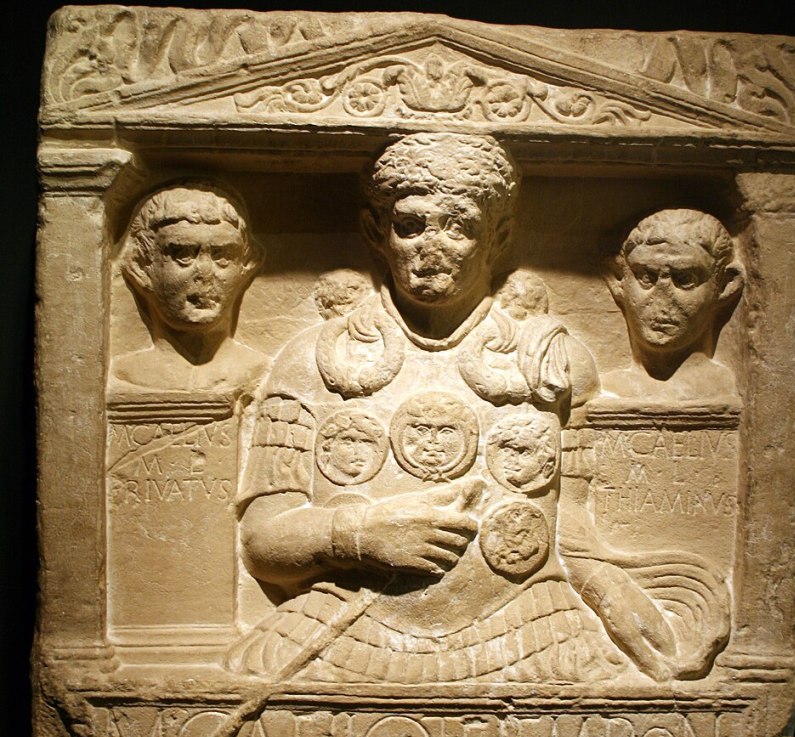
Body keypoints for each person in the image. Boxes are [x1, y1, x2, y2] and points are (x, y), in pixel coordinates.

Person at [229, 133, 728, 684]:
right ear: (376, 233)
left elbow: (571, 539)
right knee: (245, 677)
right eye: (411, 225)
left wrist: (626, 611)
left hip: (527, 626)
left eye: (460, 226)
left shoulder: (553, 361)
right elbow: (261, 543)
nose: (432, 247)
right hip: (347, 623)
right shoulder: (313, 358)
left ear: (499, 236)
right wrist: (363, 534)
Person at [111, 182, 266, 393]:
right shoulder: (124, 375)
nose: (205, 273)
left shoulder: (266, 375)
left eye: (223, 256)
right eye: (183, 255)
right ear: (141, 268)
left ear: (246, 267)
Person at [603, 208, 744, 399]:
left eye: (685, 279)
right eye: (646, 277)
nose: (663, 299)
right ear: (618, 280)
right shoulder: (603, 389)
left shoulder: (730, 389)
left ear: (725, 286)